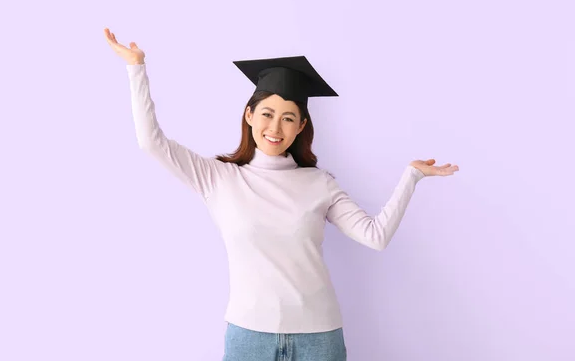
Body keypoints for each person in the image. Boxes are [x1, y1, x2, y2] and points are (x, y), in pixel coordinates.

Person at [103, 27, 460, 361]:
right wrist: (137, 70)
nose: (275, 128)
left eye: (289, 118)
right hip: (248, 337)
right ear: (249, 115)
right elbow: (151, 142)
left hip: (319, 337)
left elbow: (375, 237)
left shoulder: (320, 183)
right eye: (267, 114)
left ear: (301, 126)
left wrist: (411, 177)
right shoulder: (218, 177)